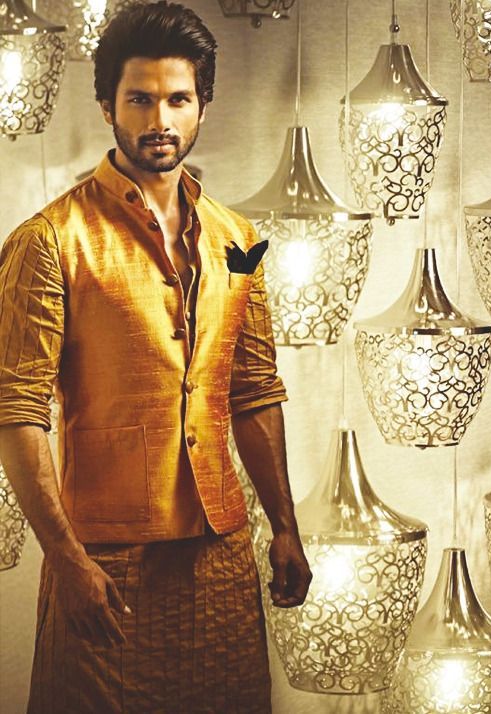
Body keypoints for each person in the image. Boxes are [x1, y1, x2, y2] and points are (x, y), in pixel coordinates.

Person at [0, 2, 311, 713]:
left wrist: (285, 527)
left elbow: (254, 390)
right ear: (107, 105)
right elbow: (16, 411)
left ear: (203, 104)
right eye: (139, 99)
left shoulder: (238, 240)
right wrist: (66, 560)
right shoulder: (50, 240)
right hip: (104, 559)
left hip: (222, 555)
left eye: (178, 99)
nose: (159, 119)